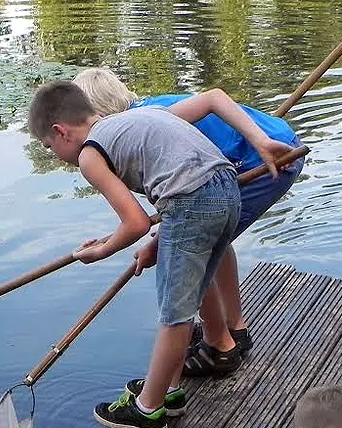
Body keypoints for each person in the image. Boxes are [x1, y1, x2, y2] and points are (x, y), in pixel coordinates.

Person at [26, 80, 292, 428]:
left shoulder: (90, 155)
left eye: (48, 146)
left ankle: (148, 409)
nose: (54, 153)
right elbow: (179, 180)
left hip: (191, 203)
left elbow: (135, 223)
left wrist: (100, 251)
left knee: (174, 313)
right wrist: (156, 241)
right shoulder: (144, 114)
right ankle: (169, 389)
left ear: (61, 132)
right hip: (229, 189)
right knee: (187, 299)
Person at [71, 68, 304, 377]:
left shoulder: (141, 125)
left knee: (195, 250)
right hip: (276, 143)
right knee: (212, 240)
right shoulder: (143, 116)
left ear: (97, 115)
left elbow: (191, 213)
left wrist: (260, 142)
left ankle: (218, 347)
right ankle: (235, 328)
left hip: (269, 160)